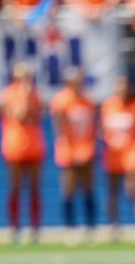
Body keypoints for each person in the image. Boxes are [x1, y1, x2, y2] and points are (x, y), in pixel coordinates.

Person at [49, 68, 98, 244]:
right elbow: (60, 131)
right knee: (68, 191)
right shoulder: (61, 101)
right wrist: (73, 152)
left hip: (87, 151)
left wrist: (88, 150)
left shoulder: (88, 101)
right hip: (69, 152)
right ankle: (70, 227)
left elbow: (93, 129)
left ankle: (91, 227)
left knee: (88, 190)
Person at [100, 76, 135, 243]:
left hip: (130, 153)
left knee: (134, 189)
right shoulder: (108, 106)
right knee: (113, 191)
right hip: (113, 154)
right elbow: (102, 130)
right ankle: (114, 225)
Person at [0, 62, 45, 244]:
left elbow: (36, 117)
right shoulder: (8, 95)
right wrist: (25, 97)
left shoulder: (35, 95)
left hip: (34, 145)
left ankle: (35, 228)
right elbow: (18, 115)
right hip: (15, 146)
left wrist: (29, 98)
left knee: (34, 189)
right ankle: (14, 227)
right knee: (15, 188)